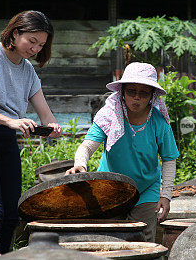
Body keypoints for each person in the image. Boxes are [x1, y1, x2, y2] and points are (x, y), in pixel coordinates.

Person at [0, 10, 62, 253]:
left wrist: (52, 127)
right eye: (32, 41)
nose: (35, 49)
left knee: (12, 214)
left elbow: (46, 114)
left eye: (41, 44)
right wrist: (9, 120)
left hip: (6, 140)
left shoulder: (28, 70)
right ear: (15, 33)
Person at [66, 62, 179, 242]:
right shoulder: (109, 115)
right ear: (122, 92)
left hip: (146, 189)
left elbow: (169, 159)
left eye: (143, 93)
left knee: (143, 237)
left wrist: (166, 195)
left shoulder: (159, 121)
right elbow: (87, 146)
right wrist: (80, 164)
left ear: (151, 96)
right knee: (111, 238)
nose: (136, 98)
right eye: (131, 91)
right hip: (111, 186)